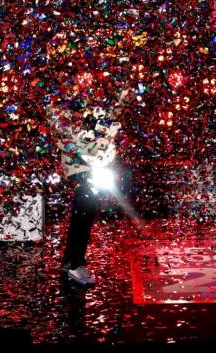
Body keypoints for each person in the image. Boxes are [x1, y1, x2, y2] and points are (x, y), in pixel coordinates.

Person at [48, 84, 132, 287]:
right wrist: (84, 156)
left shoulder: (97, 111)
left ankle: (71, 263)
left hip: (94, 168)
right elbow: (61, 135)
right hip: (81, 169)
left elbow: (113, 118)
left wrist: (125, 96)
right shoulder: (68, 111)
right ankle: (75, 265)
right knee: (85, 213)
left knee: (84, 216)